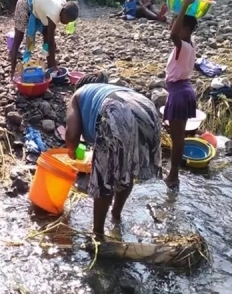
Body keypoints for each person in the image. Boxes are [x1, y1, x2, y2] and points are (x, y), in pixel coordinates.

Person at [64, 73, 161, 238]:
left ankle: (98, 235)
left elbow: (71, 135)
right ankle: (116, 216)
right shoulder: (103, 90)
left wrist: (71, 151)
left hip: (116, 111)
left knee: (104, 179)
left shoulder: (77, 95)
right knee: (127, 168)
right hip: (148, 109)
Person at [163, 0, 198, 187]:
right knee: (179, 136)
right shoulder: (191, 45)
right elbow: (175, 31)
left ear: (188, 29)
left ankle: (173, 175)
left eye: (179, 23)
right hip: (184, 91)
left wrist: (184, 5)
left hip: (179, 93)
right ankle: (173, 173)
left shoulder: (183, 45)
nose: (174, 25)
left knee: (177, 139)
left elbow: (173, 35)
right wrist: (181, 15)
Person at [9, 0, 79, 82]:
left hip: (38, 9)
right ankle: (12, 73)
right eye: (68, 20)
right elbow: (50, 41)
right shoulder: (54, 12)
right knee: (18, 38)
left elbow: (49, 40)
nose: (67, 23)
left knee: (47, 35)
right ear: (64, 12)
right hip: (25, 3)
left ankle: (50, 71)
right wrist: (55, 65)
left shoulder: (63, 5)